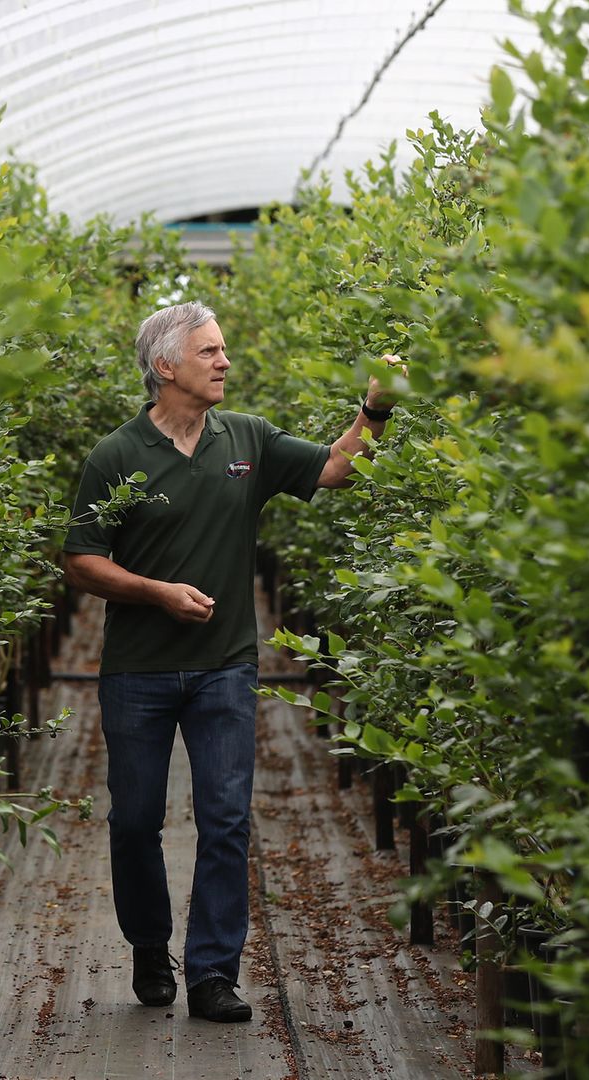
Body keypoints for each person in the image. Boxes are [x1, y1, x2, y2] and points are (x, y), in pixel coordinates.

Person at [61, 300, 399, 1023]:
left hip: (225, 667)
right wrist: (155, 592)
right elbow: (81, 561)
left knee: (225, 818)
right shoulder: (116, 457)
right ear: (165, 367)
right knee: (135, 821)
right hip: (139, 671)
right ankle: (151, 946)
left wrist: (376, 409)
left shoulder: (249, 439)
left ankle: (215, 972)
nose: (224, 362)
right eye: (210, 352)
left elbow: (338, 469)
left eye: (223, 351)